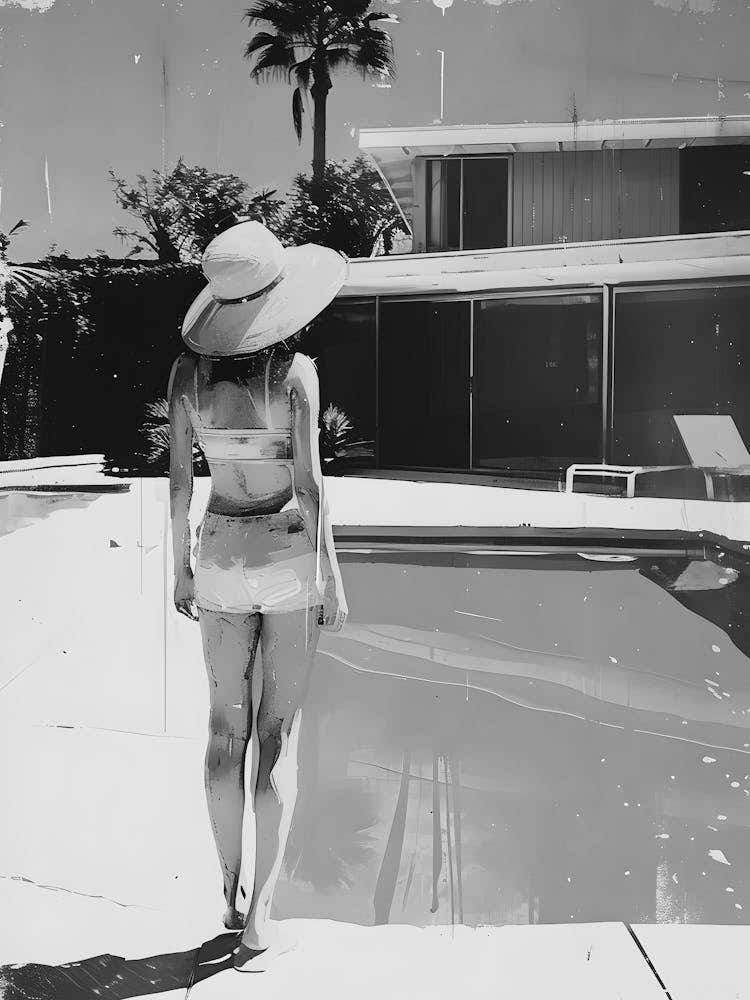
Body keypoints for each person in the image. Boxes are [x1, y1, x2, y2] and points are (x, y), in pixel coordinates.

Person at [168, 221, 348, 971]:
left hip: (218, 553)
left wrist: (179, 568)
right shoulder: (296, 375)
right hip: (285, 555)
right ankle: (261, 916)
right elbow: (307, 487)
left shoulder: (186, 379)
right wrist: (332, 574)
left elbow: (182, 483)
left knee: (222, 734)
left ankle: (228, 889)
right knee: (278, 741)